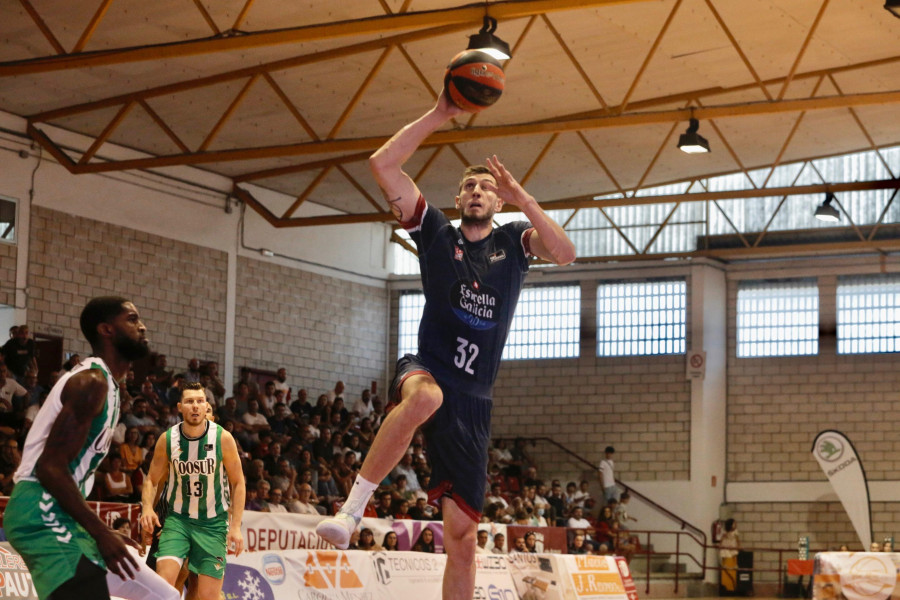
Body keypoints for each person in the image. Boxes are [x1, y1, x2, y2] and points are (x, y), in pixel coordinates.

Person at [316, 88, 575, 600]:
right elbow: (382, 163)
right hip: (428, 367)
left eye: (485, 187)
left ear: (497, 202)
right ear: (459, 200)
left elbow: (564, 253)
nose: (477, 191)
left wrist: (524, 198)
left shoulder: (514, 241)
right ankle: (352, 509)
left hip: (475, 399)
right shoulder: (436, 232)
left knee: (462, 537)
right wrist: (440, 114)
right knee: (426, 396)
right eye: (469, 186)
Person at [4, 297, 178, 600]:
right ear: (107, 329)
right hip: (41, 512)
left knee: (165, 597)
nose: (142, 326)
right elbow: (50, 468)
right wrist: (99, 531)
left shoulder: (107, 384)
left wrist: (103, 532)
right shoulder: (91, 382)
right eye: (132, 319)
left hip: (64, 514)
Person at [140, 382, 246, 600]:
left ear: (206, 405)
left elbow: (238, 483)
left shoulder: (223, 438)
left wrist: (235, 526)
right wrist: (148, 508)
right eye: (189, 402)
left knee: (205, 595)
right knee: (163, 586)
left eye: (199, 401)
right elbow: (151, 479)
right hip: (178, 520)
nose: (195, 406)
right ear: (180, 407)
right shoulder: (168, 439)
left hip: (213, 523)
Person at [719, 518, 740, 593]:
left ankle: (732, 586)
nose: (735, 525)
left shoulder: (735, 532)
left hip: (733, 551)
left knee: (732, 568)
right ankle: (726, 586)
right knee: (726, 567)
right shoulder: (725, 532)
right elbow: (722, 540)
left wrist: (738, 547)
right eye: (734, 523)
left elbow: (737, 541)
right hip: (726, 550)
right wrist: (721, 545)